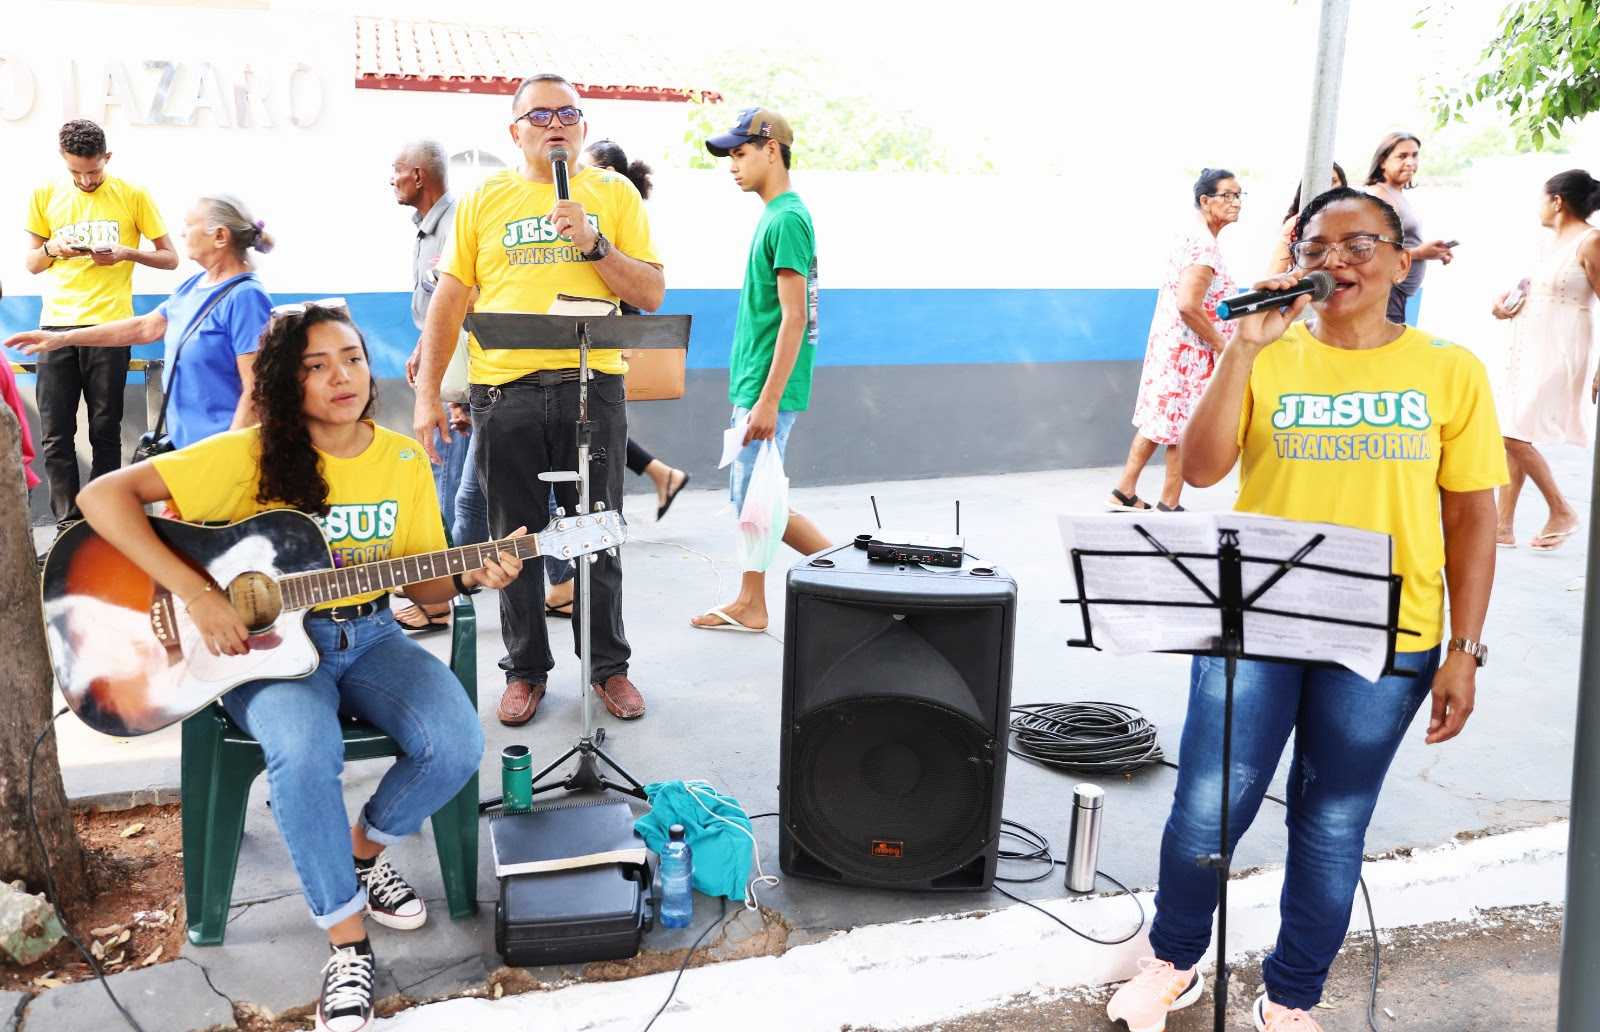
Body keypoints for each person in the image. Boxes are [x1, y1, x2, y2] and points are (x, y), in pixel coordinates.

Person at [1105, 186, 1504, 1032]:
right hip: (1260, 620)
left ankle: (1288, 998)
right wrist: (1242, 352)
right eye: (1318, 247)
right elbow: (1205, 469)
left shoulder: (1450, 369)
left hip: (1390, 638)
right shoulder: (1271, 353)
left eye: (1361, 245)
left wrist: (1464, 648)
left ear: (1403, 261)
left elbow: (1472, 517)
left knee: (1331, 826)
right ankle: (1175, 960)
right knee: (1211, 804)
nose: (1337, 262)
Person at [75, 302, 522, 1032]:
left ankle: (359, 851)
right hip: (263, 653)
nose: (341, 376)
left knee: (457, 743)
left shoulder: (405, 457)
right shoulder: (249, 455)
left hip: (372, 637)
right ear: (290, 384)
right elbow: (102, 497)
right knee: (304, 750)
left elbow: (426, 587)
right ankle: (347, 941)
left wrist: (480, 572)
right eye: (316, 366)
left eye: (350, 357)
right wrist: (199, 593)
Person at [412, 72, 664, 726]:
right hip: (506, 393)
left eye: (568, 113)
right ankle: (525, 670)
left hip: (592, 389)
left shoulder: (614, 194)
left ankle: (609, 669)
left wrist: (593, 243)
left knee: (597, 534)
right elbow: (449, 301)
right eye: (540, 114)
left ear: (581, 126)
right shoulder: (482, 201)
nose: (556, 123)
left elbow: (651, 293)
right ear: (515, 131)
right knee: (513, 540)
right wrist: (428, 394)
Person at [689, 107, 830, 633]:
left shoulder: (788, 218)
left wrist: (768, 399)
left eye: (741, 153)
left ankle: (850, 575)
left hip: (768, 388)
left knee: (759, 499)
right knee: (755, 499)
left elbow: (796, 318)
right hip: (757, 383)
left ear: (772, 149)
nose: (732, 165)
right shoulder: (776, 216)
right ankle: (753, 600)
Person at [540, 138, 691, 621]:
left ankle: (574, 592)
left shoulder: (613, 208)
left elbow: (643, 288)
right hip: (579, 350)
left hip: (602, 346)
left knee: (594, 449)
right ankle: (661, 474)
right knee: (590, 443)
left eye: (591, 169)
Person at [9, 194, 273, 449]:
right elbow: (145, 327)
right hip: (188, 449)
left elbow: (256, 390)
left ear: (220, 236)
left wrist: (227, 456)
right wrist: (62, 338)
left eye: (190, 224)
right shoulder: (194, 286)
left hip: (220, 453)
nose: (182, 232)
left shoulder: (246, 297)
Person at [24, 118, 178, 531]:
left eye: (93, 170)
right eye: (76, 171)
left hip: (111, 328)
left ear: (106, 158)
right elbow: (32, 263)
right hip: (55, 328)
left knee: (105, 431)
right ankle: (67, 526)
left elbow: (170, 257)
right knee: (56, 435)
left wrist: (128, 253)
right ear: (64, 161)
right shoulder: (45, 193)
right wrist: (52, 248)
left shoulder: (133, 194)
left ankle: (105, 525)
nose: (85, 179)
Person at [1108, 169, 1242, 514]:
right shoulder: (1205, 245)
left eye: (1239, 195)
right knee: (1186, 429)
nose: (1236, 202)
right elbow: (1188, 304)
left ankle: (1124, 490)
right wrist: (1220, 345)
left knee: (1157, 421)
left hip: (1170, 347)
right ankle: (1169, 503)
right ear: (1205, 200)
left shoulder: (1190, 235)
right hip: (1191, 354)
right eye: (1227, 195)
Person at [1490, 169, 1600, 551]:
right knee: (1518, 429)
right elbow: (1532, 291)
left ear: (1557, 201)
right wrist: (1503, 306)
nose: (1538, 205)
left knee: (1510, 431)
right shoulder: (1547, 244)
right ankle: (1502, 527)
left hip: (1564, 346)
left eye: (1542, 197)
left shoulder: (1592, 241)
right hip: (1529, 343)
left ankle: (1562, 510)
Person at [392, 138, 469, 633]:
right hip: (447, 368)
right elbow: (433, 308)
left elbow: (459, 306)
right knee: (461, 489)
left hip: (460, 374)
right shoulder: (427, 229)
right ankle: (561, 584)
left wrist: (454, 391)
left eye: (397, 170)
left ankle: (439, 598)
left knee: (447, 486)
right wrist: (423, 348)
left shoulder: (455, 224)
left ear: (419, 176)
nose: (391, 179)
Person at [1362, 132, 1455, 323]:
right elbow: (1372, 250)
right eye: (1402, 156)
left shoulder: (1397, 195)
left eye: (1415, 155)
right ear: (1383, 162)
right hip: (1387, 293)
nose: (1410, 162)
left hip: (1400, 295)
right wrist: (1421, 253)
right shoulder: (1379, 195)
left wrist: (1435, 252)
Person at [1267, 163, 1347, 273]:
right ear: (1307, 187)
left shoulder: (1353, 220)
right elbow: (1273, 275)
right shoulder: (1295, 223)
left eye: (1333, 181)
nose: (1327, 188)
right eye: (1320, 183)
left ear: (1343, 184)